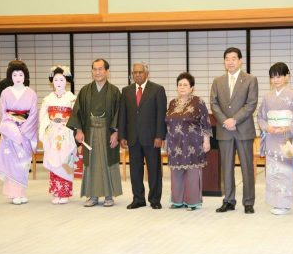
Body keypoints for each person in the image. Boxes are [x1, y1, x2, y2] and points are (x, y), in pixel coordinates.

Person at [67, 59, 122, 207]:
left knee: (107, 161)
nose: (97, 72)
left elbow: (119, 113)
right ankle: (93, 195)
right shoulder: (85, 90)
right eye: (95, 69)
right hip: (89, 131)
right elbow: (77, 112)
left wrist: (116, 132)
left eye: (100, 69)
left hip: (107, 130)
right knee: (91, 163)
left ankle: (109, 195)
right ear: (92, 71)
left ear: (107, 71)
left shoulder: (114, 91)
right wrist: (78, 130)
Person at [211, 47, 258, 214]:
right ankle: (228, 200)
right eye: (227, 59)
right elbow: (214, 103)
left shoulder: (250, 79)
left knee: (247, 167)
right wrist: (225, 121)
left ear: (240, 61)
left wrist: (234, 119)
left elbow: (251, 104)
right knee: (226, 167)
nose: (230, 62)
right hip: (224, 130)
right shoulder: (218, 81)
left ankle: (248, 202)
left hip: (243, 129)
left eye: (233, 58)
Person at [257, 62, 293, 215]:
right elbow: (261, 116)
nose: (276, 80)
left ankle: (284, 203)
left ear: (286, 77)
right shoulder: (267, 97)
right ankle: (275, 201)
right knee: (272, 171)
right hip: (272, 137)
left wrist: (288, 127)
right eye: (273, 77)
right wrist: (266, 127)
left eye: (279, 76)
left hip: (286, 138)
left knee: (286, 170)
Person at [119, 61, 167, 210]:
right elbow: (123, 115)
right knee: (135, 170)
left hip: (152, 138)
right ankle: (138, 199)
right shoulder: (126, 91)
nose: (137, 75)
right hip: (133, 138)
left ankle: (155, 199)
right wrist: (122, 136)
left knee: (154, 170)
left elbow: (161, 115)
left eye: (140, 72)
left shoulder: (157, 89)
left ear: (147, 73)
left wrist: (160, 136)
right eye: (135, 72)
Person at [0, 60, 38, 204]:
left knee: (23, 164)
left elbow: (34, 113)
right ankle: (14, 193)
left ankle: (21, 192)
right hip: (11, 133)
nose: (18, 77)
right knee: (12, 163)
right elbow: (3, 113)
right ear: (10, 76)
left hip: (25, 132)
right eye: (15, 74)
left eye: (21, 74)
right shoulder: (5, 92)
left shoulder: (31, 92)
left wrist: (23, 129)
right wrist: (12, 129)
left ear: (25, 76)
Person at [166, 72, 212, 211]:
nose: (182, 87)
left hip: (193, 143)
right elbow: (167, 122)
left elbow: (206, 122)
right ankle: (177, 201)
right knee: (176, 172)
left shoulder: (198, 102)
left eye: (185, 84)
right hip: (174, 142)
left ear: (192, 87)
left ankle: (192, 202)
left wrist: (207, 141)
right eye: (180, 84)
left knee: (192, 172)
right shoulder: (172, 103)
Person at [39, 66, 77, 205]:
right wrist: (48, 127)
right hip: (52, 133)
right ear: (52, 82)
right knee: (54, 161)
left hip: (66, 133)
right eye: (56, 80)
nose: (59, 82)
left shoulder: (72, 98)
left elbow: (76, 117)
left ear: (66, 81)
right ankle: (56, 192)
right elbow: (43, 117)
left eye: (62, 79)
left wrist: (66, 124)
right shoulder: (48, 99)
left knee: (65, 160)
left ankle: (65, 193)